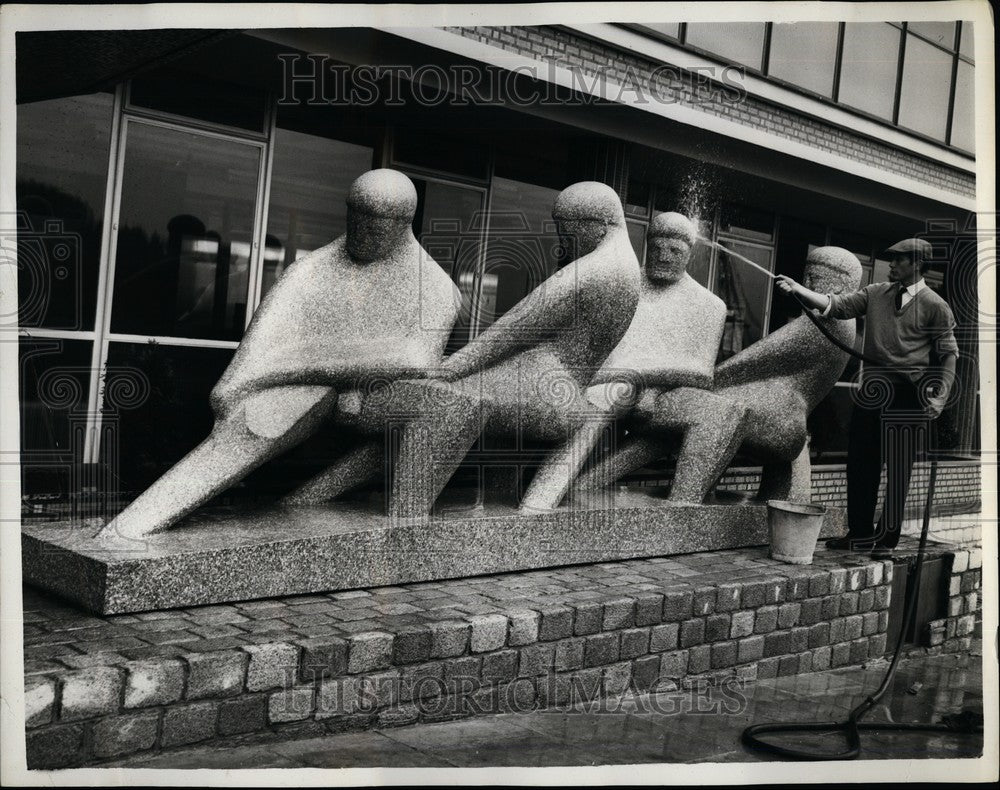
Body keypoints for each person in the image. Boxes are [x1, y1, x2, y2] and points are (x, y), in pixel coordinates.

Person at [98, 169, 460, 541]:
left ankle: (403, 528)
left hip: (376, 397)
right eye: (355, 219)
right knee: (260, 420)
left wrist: (296, 363)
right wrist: (235, 385)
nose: (360, 232)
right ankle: (132, 527)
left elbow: (417, 359)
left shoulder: (433, 286)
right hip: (306, 386)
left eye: (375, 225)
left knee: (449, 404)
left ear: (402, 224)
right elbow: (264, 337)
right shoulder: (313, 268)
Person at [775, 238, 959, 557]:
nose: (892, 264)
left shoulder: (936, 306)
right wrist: (797, 289)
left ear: (917, 264)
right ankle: (859, 533)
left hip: (908, 396)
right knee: (861, 464)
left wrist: (940, 397)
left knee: (898, 469)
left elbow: (948, 355)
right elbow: (835, 305)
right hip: (872, 390)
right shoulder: (875, 293)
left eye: (899, 260)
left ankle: (886, 540)